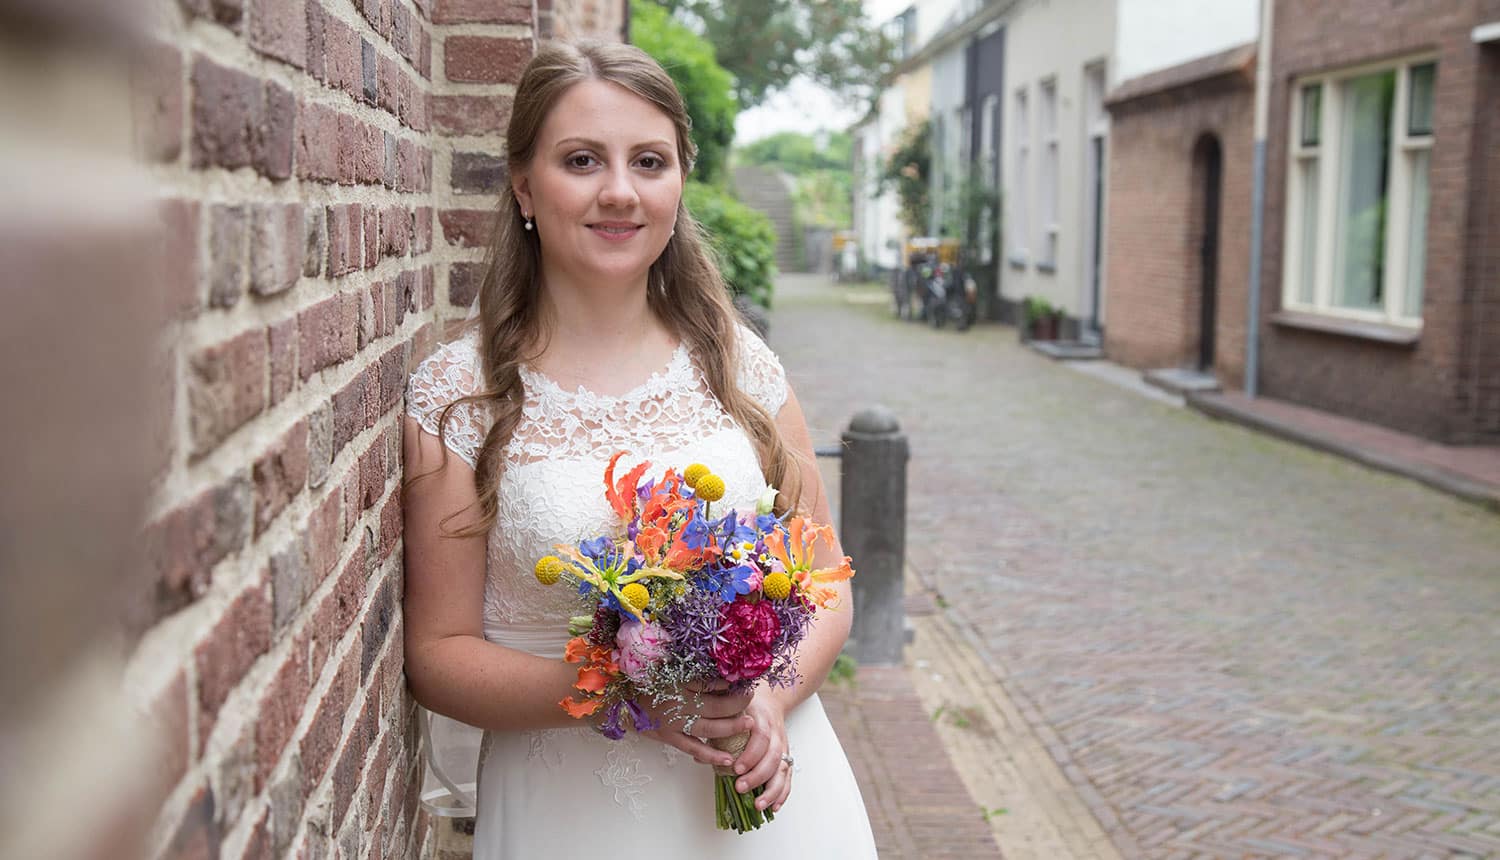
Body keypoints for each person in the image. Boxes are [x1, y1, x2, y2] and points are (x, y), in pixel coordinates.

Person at [401, 41, 877, 858]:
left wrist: (769, 695)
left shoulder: (741, 367)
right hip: (568, 810)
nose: (619, 192)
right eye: (582, 160)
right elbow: (437, 657)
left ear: (678, 182)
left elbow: (826, 579)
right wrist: (626, 692)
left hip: (772, 797)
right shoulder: (459, 398)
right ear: (524, 184)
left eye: (648, 161)